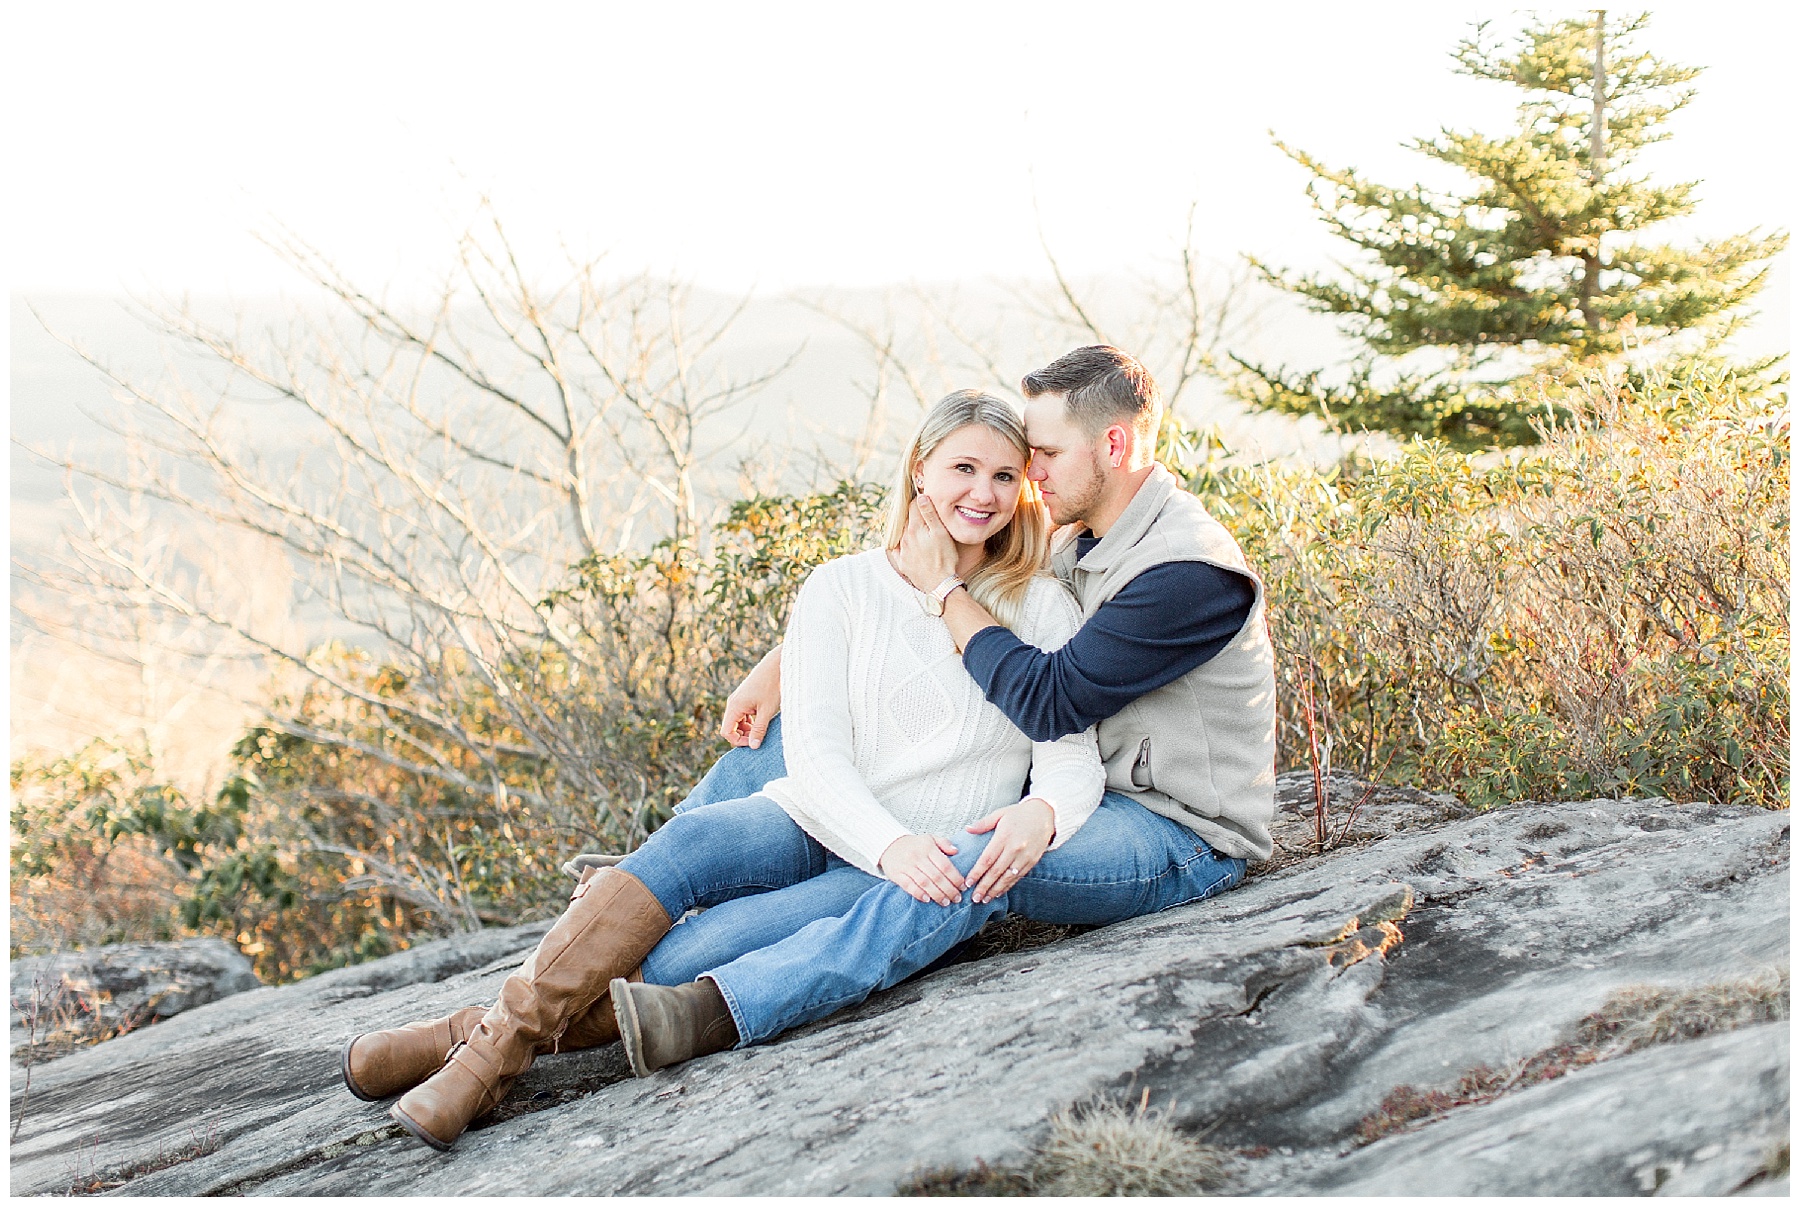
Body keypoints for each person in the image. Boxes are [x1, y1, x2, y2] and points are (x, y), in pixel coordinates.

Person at [342, 389, 1105, 1151]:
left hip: (913, 870)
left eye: (1006, 476)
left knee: (679, 962)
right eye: (964, 467)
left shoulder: (1037, 605)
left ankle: (460, 1037)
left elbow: (1071, 758)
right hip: (825, 823)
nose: (984, 492)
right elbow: (814, 757)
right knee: (690, 841)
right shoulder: (839, 587)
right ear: (918, 470)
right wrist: (884, 838)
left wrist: (1035, 816)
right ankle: (490, 1055)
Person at [604, 345, 1276, 1069]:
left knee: (971, 865)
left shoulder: (1187, 573)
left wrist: (948, 601)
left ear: (1112, 445)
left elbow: (1048, 701)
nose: (1030, 474)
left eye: (1043, 453)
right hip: (1079, 778)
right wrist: (784, 664)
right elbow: (918, 586)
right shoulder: (1078, 526)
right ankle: (629, 886)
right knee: (788, 740)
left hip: (1175, 830)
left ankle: (724, 1006)